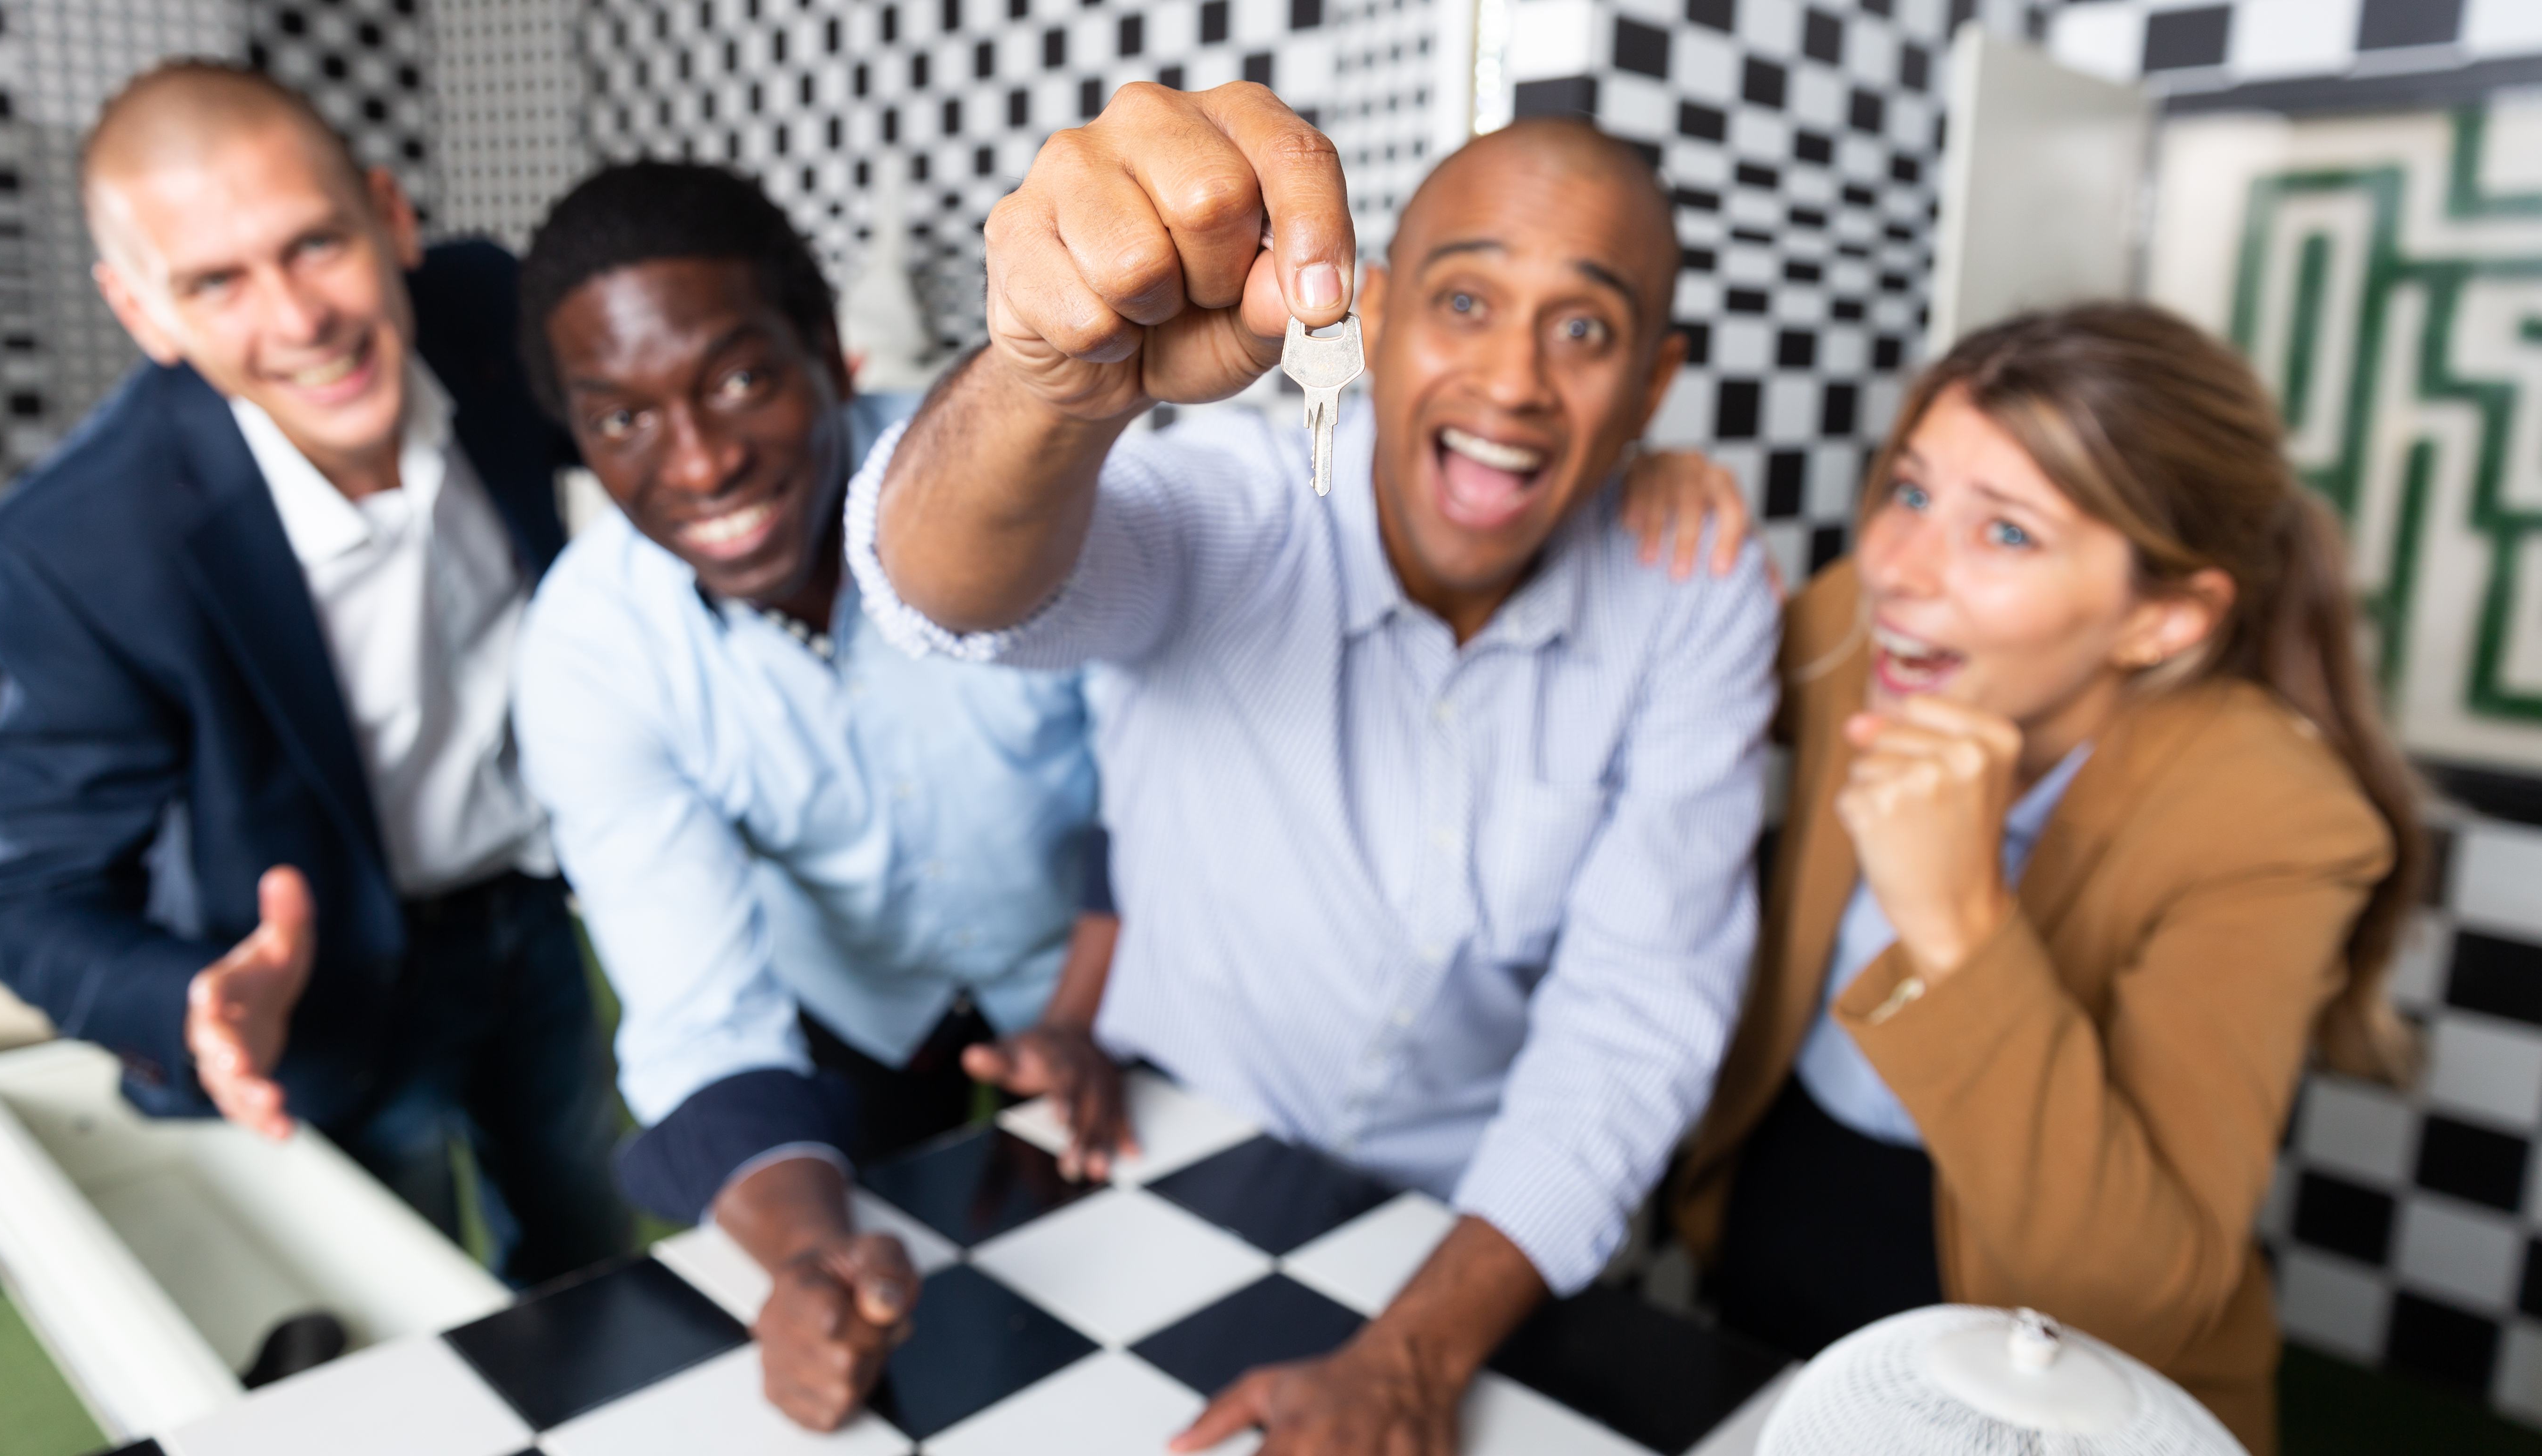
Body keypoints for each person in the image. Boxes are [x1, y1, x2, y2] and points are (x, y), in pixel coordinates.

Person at [855, 84, 1778, 1456]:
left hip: (1465, 1246)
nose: (1517, 381)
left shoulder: (1693, 597)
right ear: (1384, 309)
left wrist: (1409, 1356)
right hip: (1158, 1158)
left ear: (1653, 382)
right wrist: (1050, 390)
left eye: (1583, 329)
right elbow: (950, 591)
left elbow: (1634, 1019)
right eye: (1468, 302)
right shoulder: (1247, 506)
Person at [1648, 303, 2420, 1455]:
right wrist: (1647, 485)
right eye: (1909, 491)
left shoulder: (2277, 821)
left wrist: (1958, 924)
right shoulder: (1852, 637)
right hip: (1775, 1243)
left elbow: (2136, 1293)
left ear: (2164, 619)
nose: (1895, 570)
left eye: (2005, 533)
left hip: (2061, 1373)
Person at [0, 62, 629, 1284]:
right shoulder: (72, 551)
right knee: (406, 1330)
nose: (298, 319)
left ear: (391, 216)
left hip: (533, 918)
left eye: (316, 245)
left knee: (590, 1256)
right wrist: (190, 1002)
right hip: (323, 1003)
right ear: (143, 312)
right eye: (215, 282)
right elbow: (24, 900)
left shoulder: (487, 312)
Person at [508, 161, 1124, 1433]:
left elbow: (1164, 759)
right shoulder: (588, 652)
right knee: (926, 1366)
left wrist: (1086, 1009)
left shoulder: (1016, 480)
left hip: (1106, 983)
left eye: (741, 379)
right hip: (851, 1021)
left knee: (1132, 1325)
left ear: (832, 357)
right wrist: (805, 1264)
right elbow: (697, 1012)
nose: (702, 464)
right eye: (620, 417)